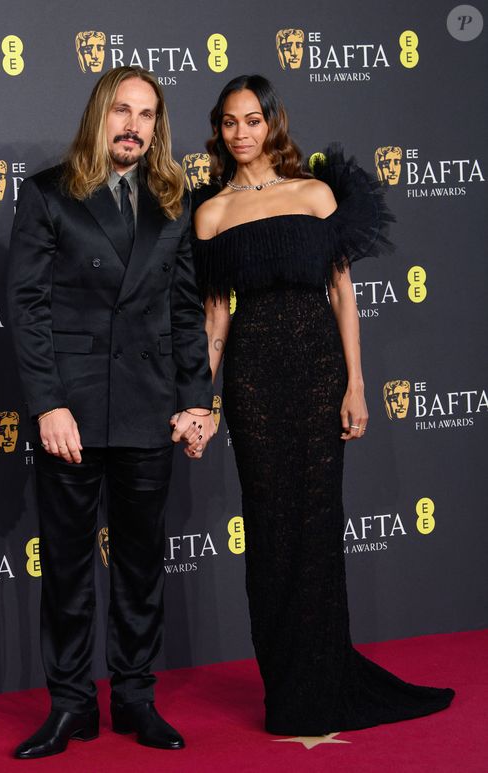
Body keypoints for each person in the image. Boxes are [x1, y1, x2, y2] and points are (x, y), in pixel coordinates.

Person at [192, 74, 454, 736]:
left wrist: (356, 381)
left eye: (253, 119)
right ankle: (287, 688)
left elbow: (342, 292)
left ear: (273, 123)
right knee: (271, 530)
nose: (242, 131)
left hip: (317, 370)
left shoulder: (314, 192)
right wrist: (202, 397)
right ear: (219, 130)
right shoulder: (211, 212)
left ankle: (325, 682)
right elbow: (215, 318)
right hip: (252, 378)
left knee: (315, 526)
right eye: (230, 121)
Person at [8, 65, 214, 759]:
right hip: (71, 411)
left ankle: (134, 698)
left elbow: (185, 313)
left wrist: (195, 403)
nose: (133, 125)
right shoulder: (47, 194)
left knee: (139, 565)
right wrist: (48, 405)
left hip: (149, 408)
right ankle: (71, 705)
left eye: (147, 114)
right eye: (122, 110)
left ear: (158, 126)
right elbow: (29, 309)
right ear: (100, 115)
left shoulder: (174, 200)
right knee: (66, 569)